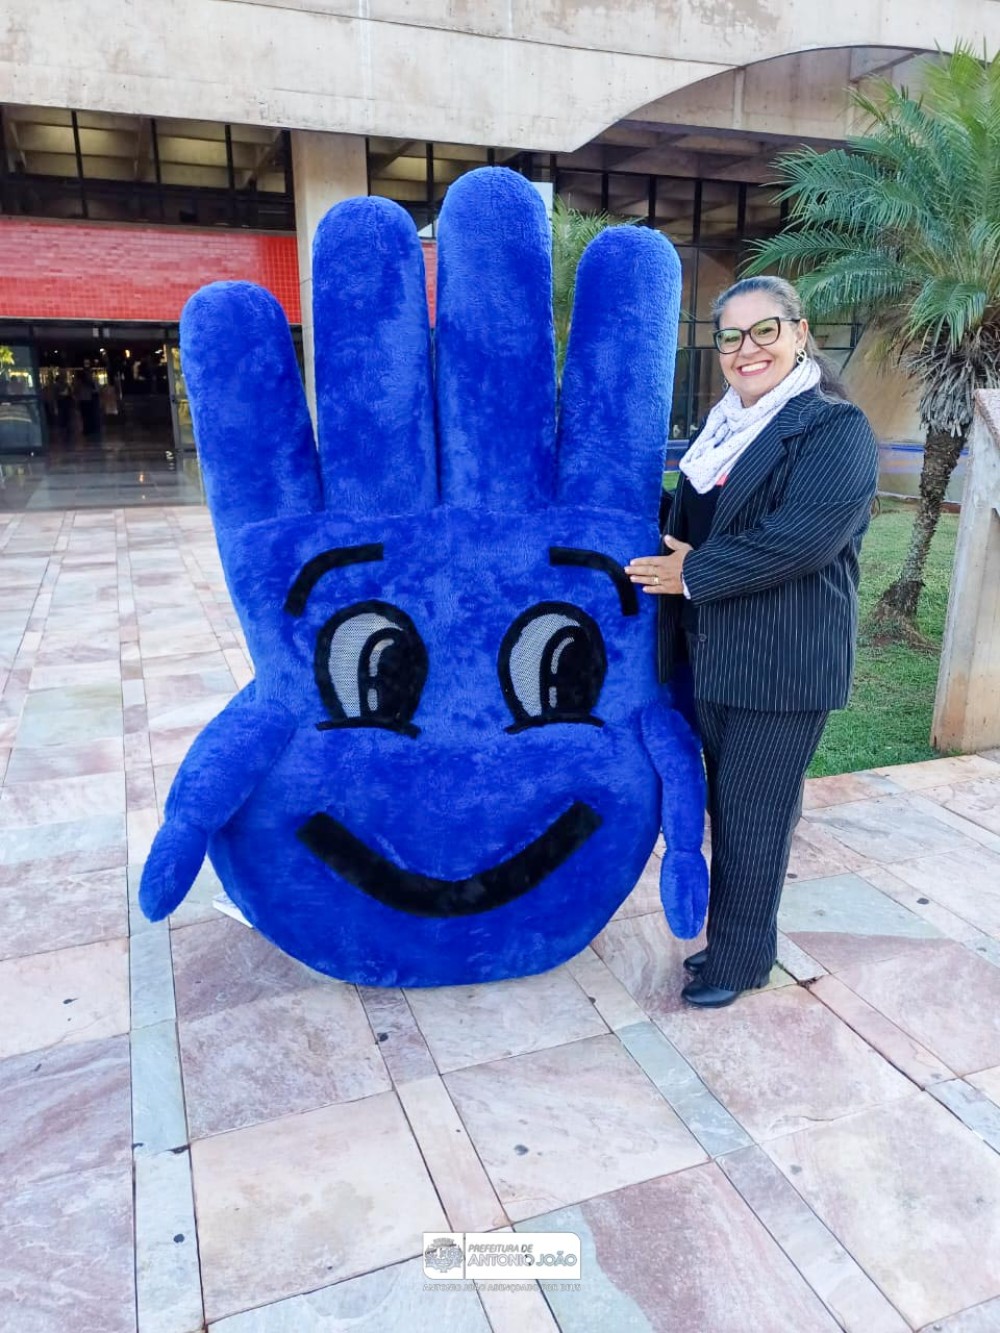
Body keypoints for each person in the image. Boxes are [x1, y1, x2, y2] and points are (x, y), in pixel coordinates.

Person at [625, 275, 878, 1008]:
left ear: (800, 333)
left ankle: (740, 960)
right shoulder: (724, 428)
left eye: (765, 330)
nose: (747, 349)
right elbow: (697, 518)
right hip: (713, 654)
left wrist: (691, 572)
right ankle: (733, 941)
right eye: (731, 336)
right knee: (729, 807)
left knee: (752, 816)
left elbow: (801, 538)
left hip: (782, 662)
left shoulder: (833, 427)